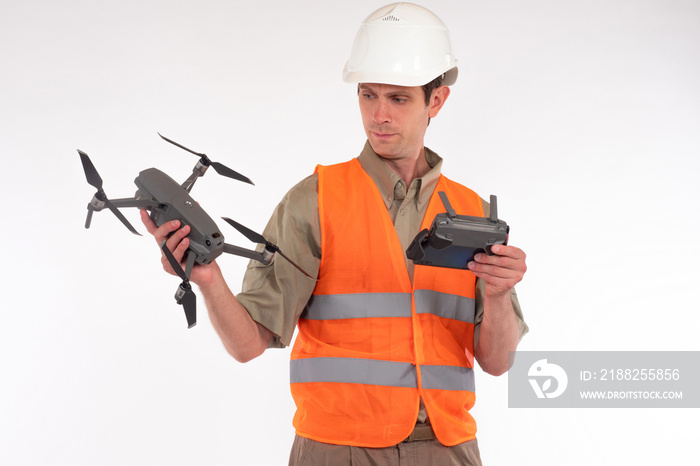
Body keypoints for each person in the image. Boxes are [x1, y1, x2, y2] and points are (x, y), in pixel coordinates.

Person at [141, 3, 528, 465]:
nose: (378, 115)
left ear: (437, 101)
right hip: (336, 451)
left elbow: (497, 362)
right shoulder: (315, 201)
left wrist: (500, 293)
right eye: (368, 95)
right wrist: (208, 280)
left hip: (448, 450)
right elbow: (247, 345)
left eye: (398, 99)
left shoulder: (471, 212)